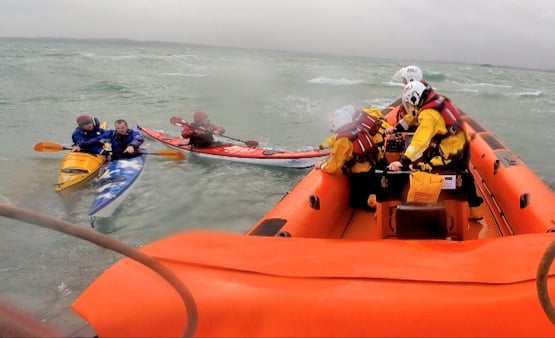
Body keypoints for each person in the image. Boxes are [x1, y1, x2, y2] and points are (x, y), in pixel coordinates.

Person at [386, 81, 484, 219]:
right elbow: (412, 118)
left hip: (452, 152)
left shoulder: (428, 115)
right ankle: (475, 209)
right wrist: (396, 128)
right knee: (464, 172)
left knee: (422, 166)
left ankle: (426, 203)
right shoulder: (434, 101)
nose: (409, 107)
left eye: (409, 103)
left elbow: (420, 141)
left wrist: (403, 161)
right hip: (460, 145)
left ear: (414, 99)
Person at [316, 105, 391, 211]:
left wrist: (322, 165)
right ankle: (378, 195)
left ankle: (375, 203)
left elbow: (333, 166)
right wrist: (322, 146)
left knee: (355, 202)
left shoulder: (343, 141)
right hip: (376, 166)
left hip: (361, 176)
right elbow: (335, 139)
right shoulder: (360, 129)